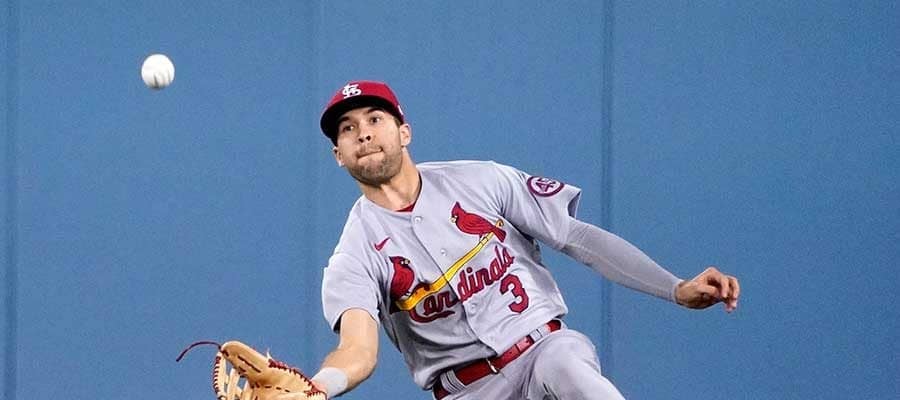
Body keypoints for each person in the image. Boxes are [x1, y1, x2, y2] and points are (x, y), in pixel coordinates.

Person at [305, 80, 740, 399]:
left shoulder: (480, 180)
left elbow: (576, 237)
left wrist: (675, 288)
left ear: (404, 132)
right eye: (347, 128)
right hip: (466, 391)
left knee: (570, 370)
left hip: (544, 352)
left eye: (375, 119)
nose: (363, 133)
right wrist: (317, 389)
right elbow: (357, 350)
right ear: (338, 155)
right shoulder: (354, 254)